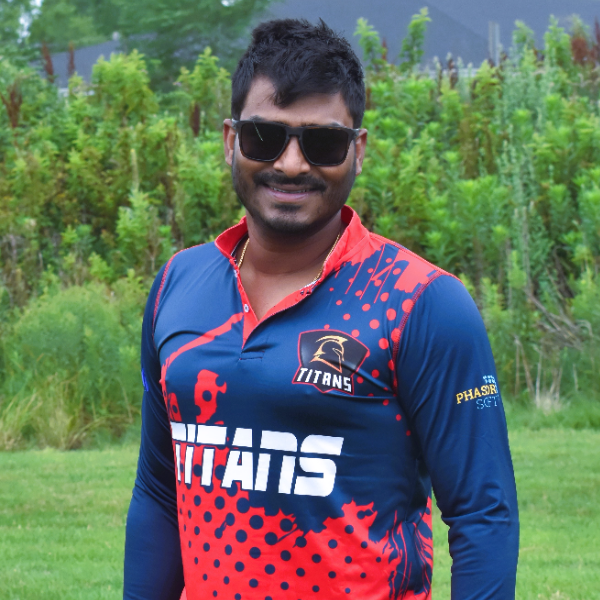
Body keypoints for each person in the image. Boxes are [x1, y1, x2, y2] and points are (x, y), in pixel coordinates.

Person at [124, 18, 519, 600]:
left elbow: (483, 514)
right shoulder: (178, 285)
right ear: (230, 140)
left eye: (322, 143)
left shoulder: (420, 301)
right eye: (265, 137)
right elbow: (160, 493)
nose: (290, 164)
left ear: (357, 150)